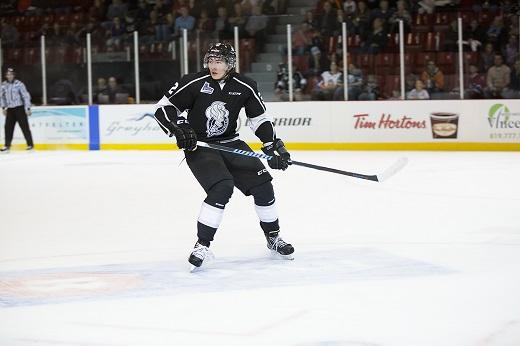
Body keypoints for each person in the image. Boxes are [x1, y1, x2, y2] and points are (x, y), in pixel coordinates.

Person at [153, 43, 294, 268]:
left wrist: (271, 145)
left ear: (230, 63)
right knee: (222, 187)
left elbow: (259, 119)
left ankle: (273, 238)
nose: (213, 66)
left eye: (218, 61)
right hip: (201, 147)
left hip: (232, 143)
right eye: (210, 61)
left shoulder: (245, 86)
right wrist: (180, 127)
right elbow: (163, 108)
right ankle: (202, 245)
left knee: (263, 185)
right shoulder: (193, 82)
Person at [1, 68, 34, 152]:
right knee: (8, 127)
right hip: (10, 110)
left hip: (19, 108)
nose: (9, 76)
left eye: (11, 74)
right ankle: (7, 146)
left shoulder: (19, 84)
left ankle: (30, 145)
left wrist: (28, 108)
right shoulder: (4, 85)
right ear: (6, 76)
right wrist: (4, 107)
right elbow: (2, 97)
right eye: (8, 74)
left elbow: (25, 96)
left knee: (24, 127)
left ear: (13, 75)